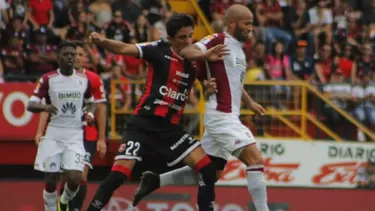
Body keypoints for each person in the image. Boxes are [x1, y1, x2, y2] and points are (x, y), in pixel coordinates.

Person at [133, 4, 270, 211]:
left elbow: (233, 83)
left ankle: (156, 181)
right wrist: (205, 55)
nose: (251, 28)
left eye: (252, 23)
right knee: (255, 160)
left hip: (229, 115)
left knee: (211, 173)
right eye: (247, 23)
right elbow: (188, 50)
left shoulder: (238, 49)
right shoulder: (217, 40)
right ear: (231, 23)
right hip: (221, 116)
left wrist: (249, 102)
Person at [86, 13, 227, 211]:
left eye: (190, 36)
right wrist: (102, 41)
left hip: (170, 130)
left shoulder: (196, 59)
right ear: (170, 39)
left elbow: (204, 85)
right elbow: (124, 48)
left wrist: (208, 88)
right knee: (118, 176)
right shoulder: (158, 49)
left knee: (207, 169)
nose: (188, 41)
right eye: (182, 37)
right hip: (142, 125)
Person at [34, 41, 107, 211]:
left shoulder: (93, 79)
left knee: (80, 175)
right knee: (63, 176)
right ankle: (61, 206)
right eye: (75, 54)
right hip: (61, 132)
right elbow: (48, 107)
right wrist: (40, 130)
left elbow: (101, 108)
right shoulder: (54, 80)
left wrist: (102, 138)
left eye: (81, 55)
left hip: (86, 134)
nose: (77, 58)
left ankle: (73, 208)